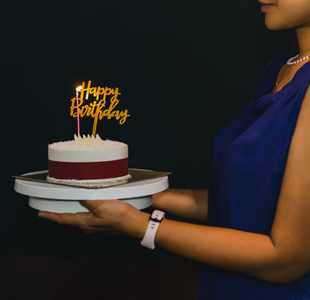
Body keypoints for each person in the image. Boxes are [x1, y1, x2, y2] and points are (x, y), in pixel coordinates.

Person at [38, 0, 310, 298]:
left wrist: (140, 225)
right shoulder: (282, 69)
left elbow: (287, 260)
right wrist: (139, 197)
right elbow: (245, 204)